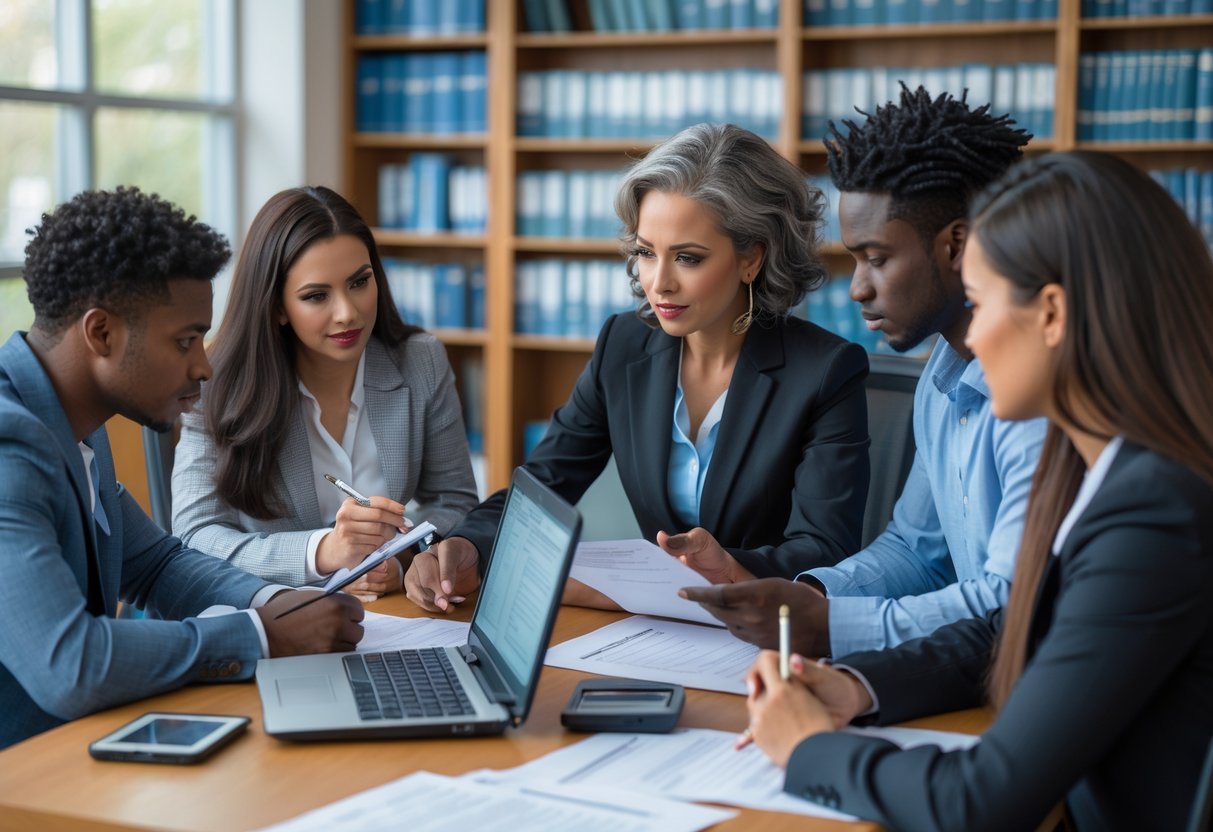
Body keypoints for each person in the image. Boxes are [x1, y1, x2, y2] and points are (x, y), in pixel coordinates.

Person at [743, 151, 1213, 831]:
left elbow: (979, 801)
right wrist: (854, 685)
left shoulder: (1152, 514)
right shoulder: (1109, 468)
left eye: (983, 301)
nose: (973, 335)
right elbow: (1017, 621)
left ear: (1050, 314)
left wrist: (810, 749)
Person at [405, 122, 872, 612]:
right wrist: (468, 544)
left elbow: (825, 551)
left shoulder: (825, 371)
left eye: (688, 258)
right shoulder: (624, 346)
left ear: (751, 259)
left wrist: (720, 566)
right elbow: (542, 485)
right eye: (647, 253)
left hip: (765, 632)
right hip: (652, 629)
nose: (659, 283)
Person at [682, 87, 1046, 657]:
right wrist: (809, 596)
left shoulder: (1038, 401)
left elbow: (1010, 601)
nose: (856, 288)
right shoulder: (942, 375)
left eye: (876, 258)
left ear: (957, 246)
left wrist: (830, 627)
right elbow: (915, 552)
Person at [0, 187, 364, 749]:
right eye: (185, 340)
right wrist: (259, 636)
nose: (203, 365)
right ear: (101, 333)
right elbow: (71, 665)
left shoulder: (71, 418)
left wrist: (270, 602)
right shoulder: (9, 450)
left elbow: (153, 562)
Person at [172, 186, 479, 600]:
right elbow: (194, 538)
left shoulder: (420, 361)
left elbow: (455, 501)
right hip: (272, 619)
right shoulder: (216, 383)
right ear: (276, 306)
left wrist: (401, 559)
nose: (347, 312)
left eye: (359, 282)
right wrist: (323, 552)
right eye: (317, 295)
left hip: (391, 620)